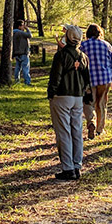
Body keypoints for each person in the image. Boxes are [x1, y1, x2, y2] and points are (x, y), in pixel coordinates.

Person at [47, 24, 89, 181]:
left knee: (64, 132)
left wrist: (51, 93)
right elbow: (87, 79)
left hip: (62, 96)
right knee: (76, 131)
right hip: (78, 97)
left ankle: (68, 168)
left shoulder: (61, 55)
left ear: (67, 37)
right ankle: (77, 166)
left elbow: (55, 77)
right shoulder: (83, 57)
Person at [80, 23, 112, 137]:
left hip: (89, 79)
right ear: (100, 33)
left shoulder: (82, 46)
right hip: (104, 78)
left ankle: (91, 123)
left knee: (88, 103)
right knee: (101, 104)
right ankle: (100, 129)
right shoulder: (107, 45)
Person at [12, 19, 33, 85]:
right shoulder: (20, 33)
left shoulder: (13, 33)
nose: (23, 27)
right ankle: (27, 82)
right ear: (19, 26)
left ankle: (16, 81)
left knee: (17, 68)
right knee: (25, 68)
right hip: (23, 53)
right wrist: (27, 29)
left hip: (16, 53)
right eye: (23, 26)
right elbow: (30, 35)